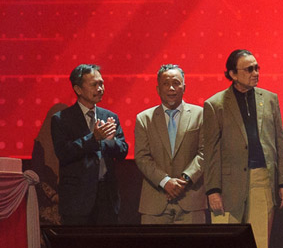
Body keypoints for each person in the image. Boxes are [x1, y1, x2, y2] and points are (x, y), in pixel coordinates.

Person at [203, 50, 283, 248]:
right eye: (249, 69)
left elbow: (279, 143)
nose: (255, 73)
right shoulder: (215, 105)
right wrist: (212, 190)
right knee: (226, 246)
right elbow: (210, 152)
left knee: (259, 244)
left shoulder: (269, 99)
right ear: (232, 74)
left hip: (262, 178)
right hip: (227, 184)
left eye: (257, 68)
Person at [51, 63, 127, 226]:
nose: (100, 88)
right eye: (94, 84)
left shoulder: (109, 116)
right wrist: (94, 139)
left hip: (107, 195)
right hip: (77, 200)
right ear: (78, 89)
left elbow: (123, 151)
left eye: (102, 83)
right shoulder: (61, 119)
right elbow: (64, 153)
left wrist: (109, 142)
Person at [133, 64, 205, 224]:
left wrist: (184, 179)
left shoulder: (200, 114)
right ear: (158, 89)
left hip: (191, 200)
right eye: (166, 83)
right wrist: (165, 182)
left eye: (176, 83)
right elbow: (142, 157)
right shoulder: (144, 118)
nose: (171, 88)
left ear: (184, 87)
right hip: (154, 203)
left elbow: (205, 153)